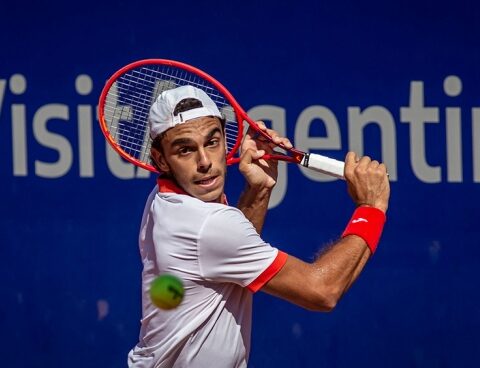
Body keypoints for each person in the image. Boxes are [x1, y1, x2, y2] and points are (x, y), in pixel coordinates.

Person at [128, 85, 390, 367]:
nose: (204, 162)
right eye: (185, 150)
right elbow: (323, 291)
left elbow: (228, 258)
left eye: (212, 142)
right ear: (161, 160)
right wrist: (371, 208)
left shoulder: (162, 199)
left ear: (225, 140)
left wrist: (259, 189)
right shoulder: (207, 223)